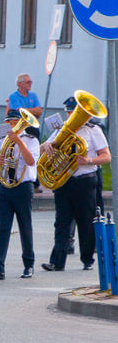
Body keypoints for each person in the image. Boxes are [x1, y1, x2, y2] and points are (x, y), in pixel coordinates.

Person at [41, 95, 110, 272]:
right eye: (70, 112)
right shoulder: (61, 130)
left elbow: (106, 156)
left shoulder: (93, 130)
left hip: (85, 181)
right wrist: (47, 146)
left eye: (75, 111)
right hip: (64, 181)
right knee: (61, 222)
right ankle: (57, 261)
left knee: (86, 221)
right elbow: (43, 147)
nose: (72, 115)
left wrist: (88, 161)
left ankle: (87, 259)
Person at [0, 110, 40, 280]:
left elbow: (31, 161)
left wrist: (19, 142)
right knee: (4, 229)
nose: (12, 125)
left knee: (25, 226)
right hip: (5, 187)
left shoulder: (31, 140)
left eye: (15, 122)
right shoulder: (2, 142)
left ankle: (29, 265)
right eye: (9, 122)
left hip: (23, 187)